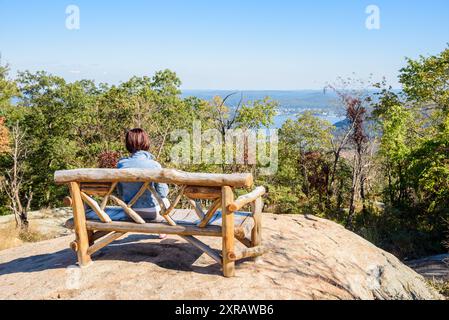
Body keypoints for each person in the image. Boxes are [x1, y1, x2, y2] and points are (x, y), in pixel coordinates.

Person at [117, 128, 170, 238]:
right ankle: (161, 230)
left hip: (129, 212)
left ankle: (160, 230)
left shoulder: (121, 165)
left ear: (128, 143)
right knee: (165, 200)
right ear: (146, 142)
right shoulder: (154, 165)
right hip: (152, 213)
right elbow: (163, 192)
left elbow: (119, 191)